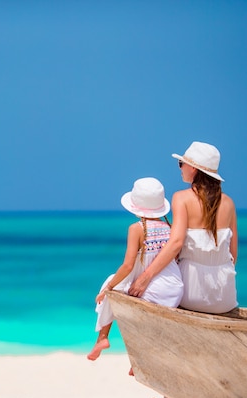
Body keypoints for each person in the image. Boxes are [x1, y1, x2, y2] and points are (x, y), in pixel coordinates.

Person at [128, 141, 238, 314]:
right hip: (225, 298)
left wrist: (145, 278)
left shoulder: (182, 198)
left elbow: (176, 243)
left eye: (181, 163)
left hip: (191, 296)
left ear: (193, 168)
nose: (180, 168)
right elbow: (233, 255)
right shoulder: (229, 203)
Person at [87, 177, 183, 361]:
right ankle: (136, 359)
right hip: (174, 289)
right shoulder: (170, 228)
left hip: (154, 291)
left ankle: (103, 337)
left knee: (110, 283)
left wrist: (107, 290)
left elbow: (128, 266)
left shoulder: (136, 229)